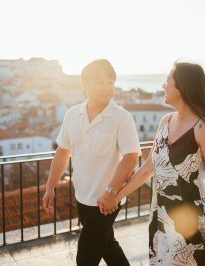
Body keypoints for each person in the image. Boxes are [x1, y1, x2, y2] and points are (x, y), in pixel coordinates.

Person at [99, 61, 205, 265]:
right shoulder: (165, 121)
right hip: (161, 220)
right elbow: (148, 168)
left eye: (168, 81)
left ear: (182, 87)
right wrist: (116, 196)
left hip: (190, 226)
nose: (163, 86)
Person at [43, 59, 140, 266]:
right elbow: (62, 152)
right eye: (101, 82)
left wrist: (111, 192)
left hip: (106, 202)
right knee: (108, 246)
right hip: (82, 197)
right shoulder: (72, 114)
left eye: (111, 82)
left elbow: (131, 158)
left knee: (85, 258)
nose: (107, 88)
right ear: (85, 84)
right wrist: (50, 187)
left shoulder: (122, 118)